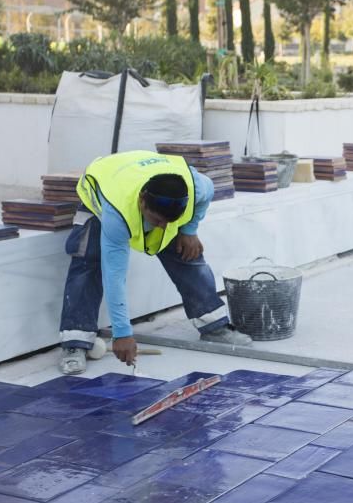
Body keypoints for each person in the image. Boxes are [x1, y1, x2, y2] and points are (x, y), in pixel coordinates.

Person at [58, 150, 250, 375]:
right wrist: (122, 333)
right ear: (142, 201)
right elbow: (115, 276)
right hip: (103, 187)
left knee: (186, 250)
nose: (162, 227)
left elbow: (205, 195)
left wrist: (189, 230)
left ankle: (214, 326)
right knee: (89, 260)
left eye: (170, 221)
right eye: (157, 220)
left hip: (146, 175)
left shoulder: (197, 186)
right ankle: (75, 341)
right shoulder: (116, 214)